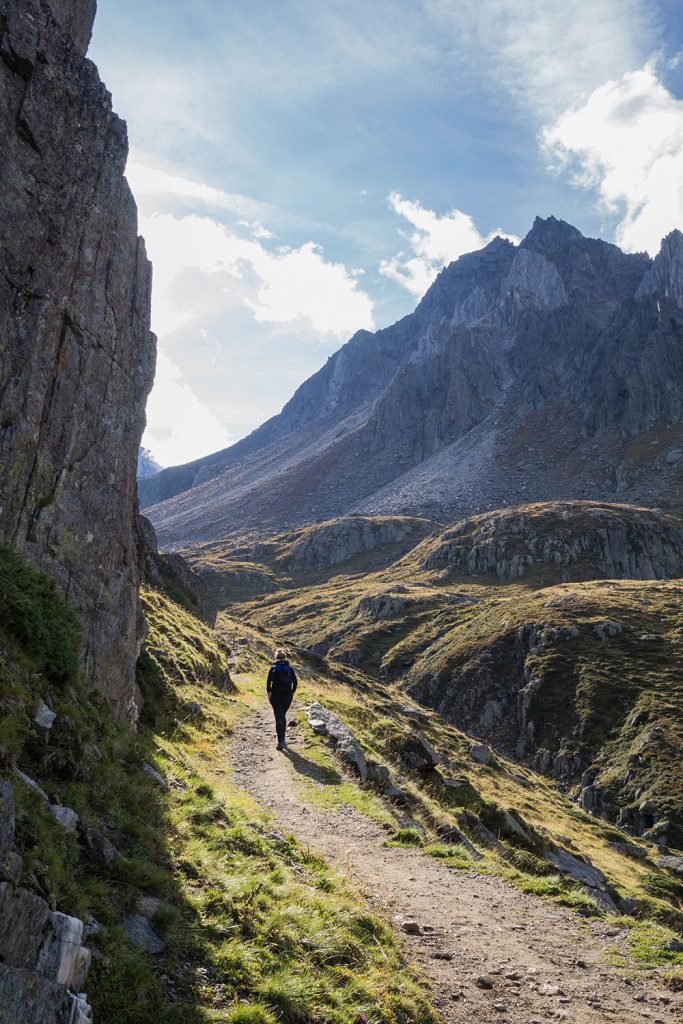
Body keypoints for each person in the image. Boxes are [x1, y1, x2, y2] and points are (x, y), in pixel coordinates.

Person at [266, 648, 298, 750]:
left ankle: (281, 742)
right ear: (285, 657)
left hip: (275, 696)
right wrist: (292, 692)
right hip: (287, 696)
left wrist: (269, 694)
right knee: (282, 715)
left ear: (276, 657)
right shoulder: (290, 668)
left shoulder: (273, 668)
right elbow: (295, 682)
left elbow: (268, 683)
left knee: (278, 717)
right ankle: (283, 740)